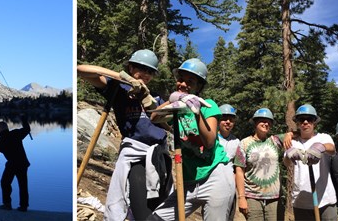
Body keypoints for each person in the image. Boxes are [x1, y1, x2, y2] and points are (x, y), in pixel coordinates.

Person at [77, 49, 172, 221]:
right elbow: (81, 69)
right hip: (135, 154)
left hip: (160, 156)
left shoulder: (156, 97)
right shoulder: (118, 88)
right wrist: (123, 78)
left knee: (160, 208)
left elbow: (165, 124)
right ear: (130, 67)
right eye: (141, 68)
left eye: (150, 71)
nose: (146, 74)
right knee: (142, 211)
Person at [148, 58, 234, 221]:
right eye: (181, 79)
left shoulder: (208, 105)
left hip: (214, 176)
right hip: (188, 180)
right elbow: (154, 117)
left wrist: (196, 112)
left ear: (198, 87)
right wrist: (173, 99)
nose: (183, 84)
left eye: (190, 81)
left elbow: (209, 141)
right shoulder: (175, 109)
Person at [283, 104, 338, 221]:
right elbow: (286, 163)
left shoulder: (324, 137)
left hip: (325, 199)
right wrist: (289, 155)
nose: (305, 122)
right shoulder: (293, 142)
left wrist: (321, 147)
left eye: (310, 119)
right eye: (301, 119)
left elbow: (332, 149)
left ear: (315, 122)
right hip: (301, 201)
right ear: (297, 123)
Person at [234, 108, 283, 220]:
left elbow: (293, 135)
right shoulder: (244, 143)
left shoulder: (274, 141)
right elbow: (239, 171)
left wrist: (290, 135)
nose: (265, 123)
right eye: (262, 120)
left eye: (268, 121)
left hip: (273, 198)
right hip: (252, 197)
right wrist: (241, 198)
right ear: (255, 123)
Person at [0, 116, 31, 212]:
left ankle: (7, 204)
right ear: (7, 127)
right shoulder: (16, 133)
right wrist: (24, 120)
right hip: (22, 163)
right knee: (23, 185)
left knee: (5, 183)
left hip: (12, 165)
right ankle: (23, 206)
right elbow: (27, 129)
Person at [218, 104, 241, 220]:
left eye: (231, 119)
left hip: (230, 188)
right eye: (224, 119)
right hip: (214, 187)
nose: (228, 122)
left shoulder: (237, 142)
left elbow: (239, 167)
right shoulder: (211, 139)